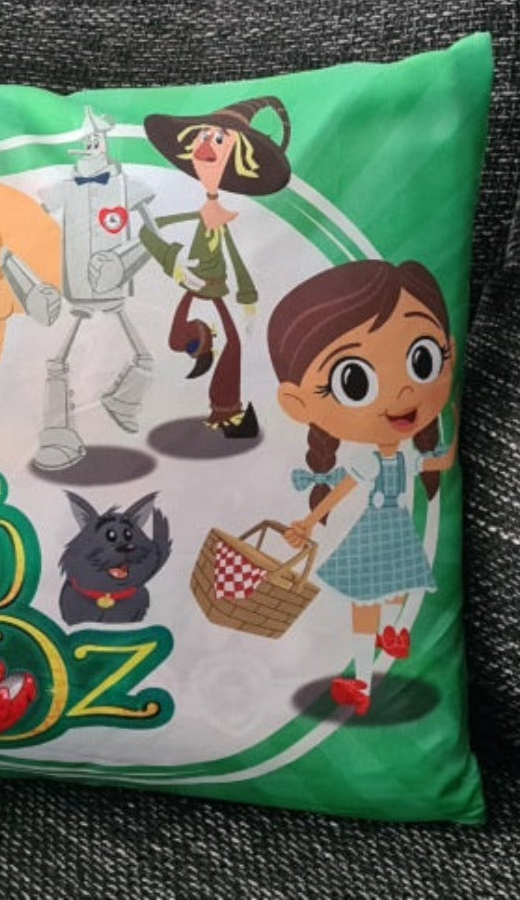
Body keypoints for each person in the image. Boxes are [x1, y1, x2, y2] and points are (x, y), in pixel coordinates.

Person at [267, 260, 459, 716]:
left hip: (377, 532)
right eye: (354, 381)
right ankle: (384, 645)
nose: (403, 396)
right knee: (391, 588)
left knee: (366, 603)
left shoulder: (389, 458)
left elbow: (435, 462)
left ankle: (367, 674)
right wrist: (309, 521)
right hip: (391, 531)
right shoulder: (380, 459)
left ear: (448, 352)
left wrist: (309, 522)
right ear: (297, 403)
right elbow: (345, 490)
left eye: (423, 361)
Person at [140, 97, 291, 436]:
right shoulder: (191, 212)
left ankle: (228, 413)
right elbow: (149, 232)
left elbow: (234, 256)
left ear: (239, 156)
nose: (207, 146)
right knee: (179, 340)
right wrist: (176, 265)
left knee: (234, 346)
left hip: (217, 292)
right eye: (203, 137)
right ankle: (200, 349)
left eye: (219, 139)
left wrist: (247, 298)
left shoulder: (227, 214)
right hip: (194, 290)